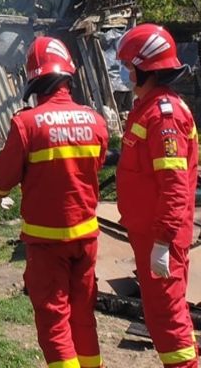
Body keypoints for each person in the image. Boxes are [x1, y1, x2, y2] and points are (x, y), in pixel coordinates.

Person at [0, 36, 109, 368]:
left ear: (35, 81)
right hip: (86, 239)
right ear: (67, 77)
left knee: (54, 321)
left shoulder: (26, 123)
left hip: (47, 242)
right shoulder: (95, 121)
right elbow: (93, 167)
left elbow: (1, 181)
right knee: (83, 316)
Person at [116, 24, 198, 368]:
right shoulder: (148, 107)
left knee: (168, 322)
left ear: (143, 67)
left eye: (127, 65)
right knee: (166, 317)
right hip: (149, 236)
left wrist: (163, 242)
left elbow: (175, 184)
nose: (124, 72)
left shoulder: (165, 116)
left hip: (159, 238)